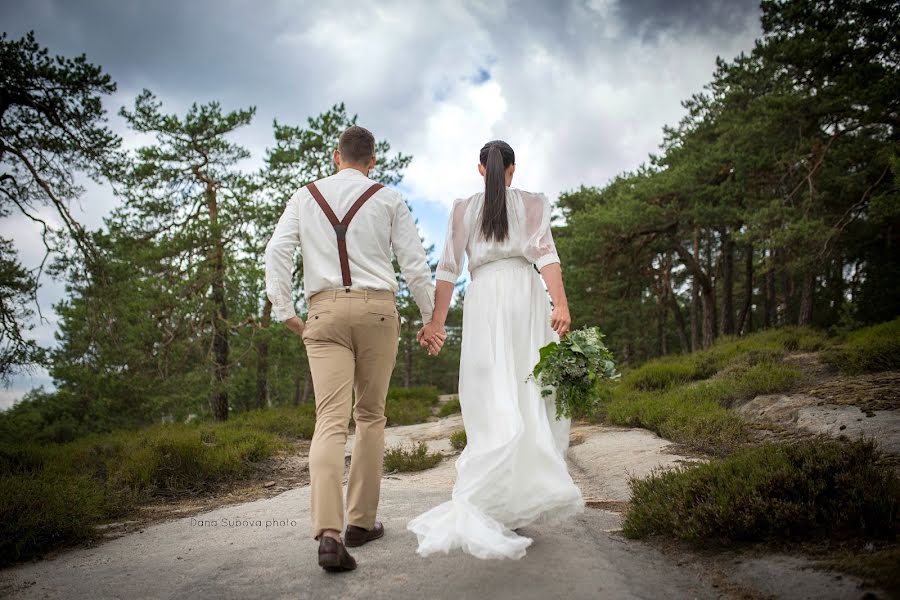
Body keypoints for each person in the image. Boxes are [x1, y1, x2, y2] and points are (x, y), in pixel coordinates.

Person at [263, 125, 445, 572]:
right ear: (373, 161)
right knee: (370, 416)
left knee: (329, 419)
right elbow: (415, 265)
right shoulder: (387, 198)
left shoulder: (304, 196)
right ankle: (360, 523)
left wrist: (284, 308)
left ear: (334, 156)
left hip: (322, 312)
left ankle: (328, 532)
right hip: (378, 312)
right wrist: (430, 320)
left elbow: (276, 252)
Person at [409, 140, 585, 559]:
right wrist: (560, 303)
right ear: (512, 169)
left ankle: (500, 493)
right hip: (525, 298)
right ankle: (518, 491)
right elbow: (547, 257)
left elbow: (448, 269)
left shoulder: (461, 209)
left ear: (480, 169)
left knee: (490, 394)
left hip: (485, 298)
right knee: (529, 391)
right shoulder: (532, 203)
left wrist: (436, 321)